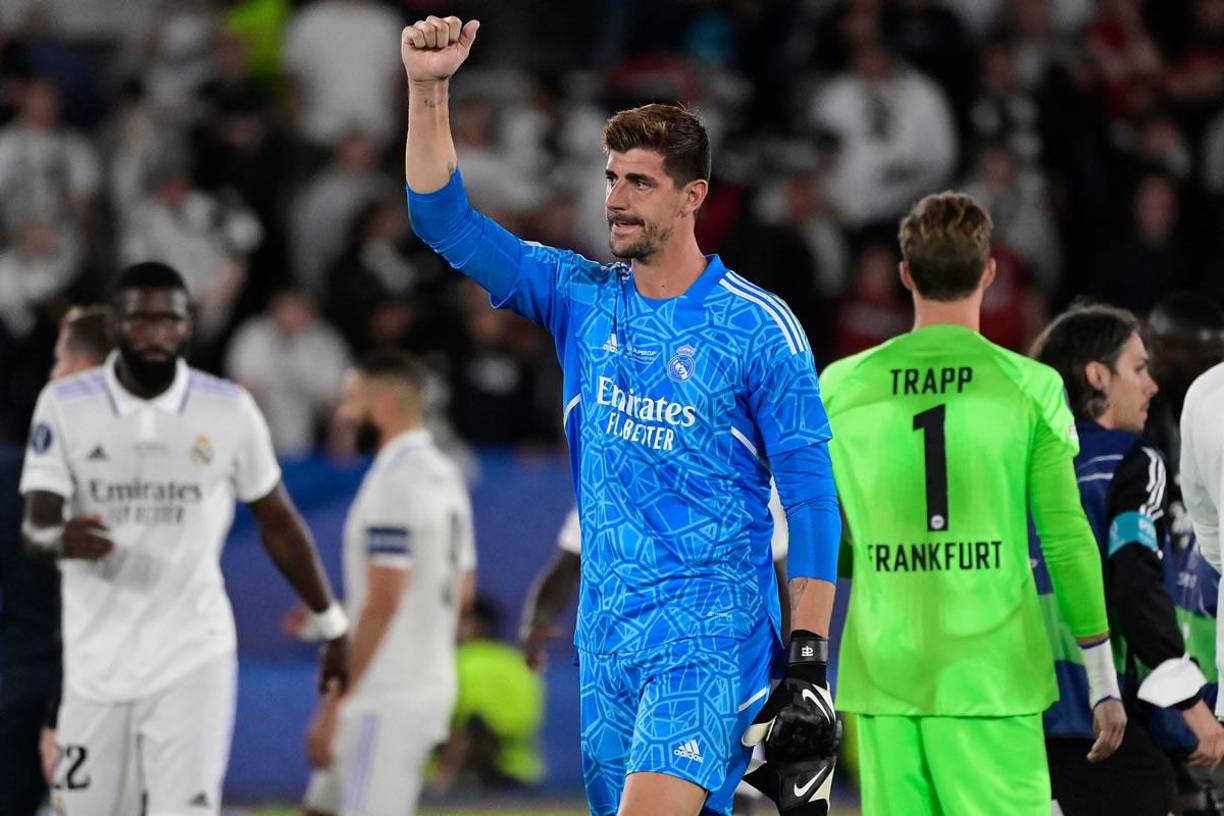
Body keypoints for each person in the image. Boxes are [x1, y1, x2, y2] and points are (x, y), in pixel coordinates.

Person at [402, 16, 841, 816]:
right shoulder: (579, 298)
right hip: (607, 642)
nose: (614, 200)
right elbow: (443, 222)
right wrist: (428, 91)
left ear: (693, 196)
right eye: (611, 178)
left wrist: (808, 663)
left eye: (639, 183)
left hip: (711, 638)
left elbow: (813, 500)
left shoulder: (757, 328)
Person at [820, 192, 1126, 816]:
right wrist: (1101, 680)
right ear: (988, 272)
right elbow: (1065, 537)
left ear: (906, 274)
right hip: (991, 671)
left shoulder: (842, 385)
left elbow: (830, 537)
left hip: (885, 671)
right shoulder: (1030, 385)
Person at [19, 262, 349, 816]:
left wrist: (331, 621)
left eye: (169, 320)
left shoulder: (227, 409)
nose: (156, 333)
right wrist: (58, 538)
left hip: (193, 655)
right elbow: (36, 525)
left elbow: (278, 520)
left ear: (188, 326)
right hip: (95, 664)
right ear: (116, 325)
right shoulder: (65, 406)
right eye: (141, 320)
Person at [1030, 303, 1224, 815]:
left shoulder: (1022, 461)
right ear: (1098, 376)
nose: (1152, 386)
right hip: (1105, 722)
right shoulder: (1133, 461)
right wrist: (1188, 702)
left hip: (1018, 726)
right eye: (1138, 369)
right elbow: (1133, 581)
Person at [300, 351, 476, 816]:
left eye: (350, 400)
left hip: (383, 696)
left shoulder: (395, 482)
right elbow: (462, 592)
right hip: (424, 681)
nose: (342, 414)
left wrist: (337, 701)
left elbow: (384, 602)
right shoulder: (445, 473)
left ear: (382, 404)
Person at [1, 306, 110, 816]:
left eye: (57, 362)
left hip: (67, 684)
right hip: (90, 685)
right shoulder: (144, 476)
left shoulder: (19, 478)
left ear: (83, 369)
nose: (51, 375)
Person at [1146, 293, 1224, 816]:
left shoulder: (1206, 406)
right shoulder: (1139, 425)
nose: (1153, 360)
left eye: (1165, 348)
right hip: (1169, 659)